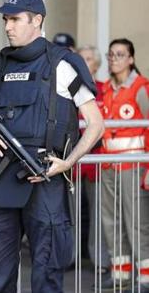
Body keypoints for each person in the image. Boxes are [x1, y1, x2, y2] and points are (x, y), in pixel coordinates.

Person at [0, 0, 104, 292]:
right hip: (2, 183)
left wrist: (68, 163)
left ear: (37, 20)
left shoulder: (62, 65)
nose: (8, 27)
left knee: (46, 273)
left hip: (46, 181)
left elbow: (96, 124)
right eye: (6, 20)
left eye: (15, 19)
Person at [100, 38, 149, 292]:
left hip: (134, 164)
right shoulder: (106, 89)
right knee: (111, 221)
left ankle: (145, 276)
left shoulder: (141, 87)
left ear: (131, 59)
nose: (114, 59)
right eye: (110, 55)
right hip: (108, 165)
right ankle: (120, 274)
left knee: (137, 221)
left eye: (119, 55)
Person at [77, 44, 111, 275]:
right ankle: (67, 257)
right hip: (72, 160)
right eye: (81, 58)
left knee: (99, 215)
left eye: (88, 59)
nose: (85, 62)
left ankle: (100, 261)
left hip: (97, 161)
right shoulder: (67, 89)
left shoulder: (103, 90)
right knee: (68, 214)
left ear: (97, 65)